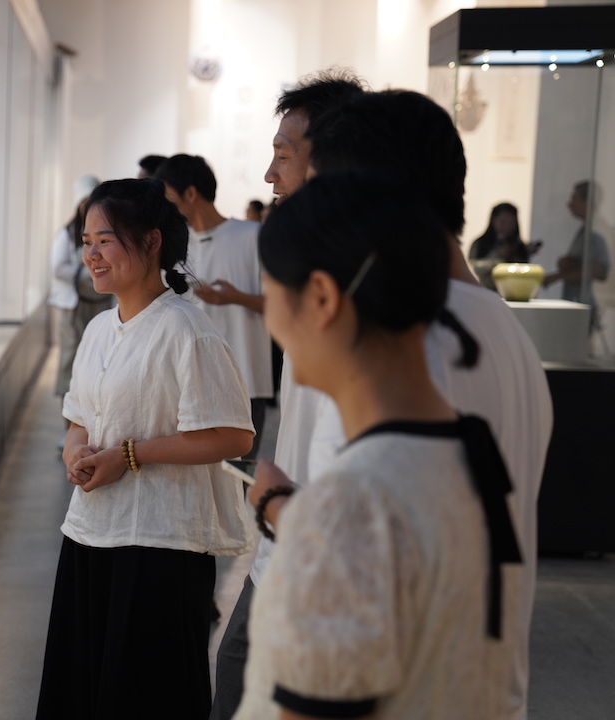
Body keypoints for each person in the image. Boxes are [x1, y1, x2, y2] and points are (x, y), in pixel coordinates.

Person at [244, 88, 553, 720]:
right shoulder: (499, 329)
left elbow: (361, 541)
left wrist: (280, 508)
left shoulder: (396, 340)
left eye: (326, 185)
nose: (284, 182)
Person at [35, 178, 256, 719]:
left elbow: (233, 435)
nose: (91, 254)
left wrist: (130, 456)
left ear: (152, 241)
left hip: (160, 545)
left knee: (144, 695)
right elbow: (78, 419)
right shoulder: (97, 328)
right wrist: (75, 452)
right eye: (86, 241)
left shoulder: (187, 329)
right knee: (84, 687)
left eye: (105, 240)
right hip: (90, 534)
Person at [210, 69, 365, 720]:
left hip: (312, 564)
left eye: (283, 155)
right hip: (283, 548)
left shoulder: (359, 293)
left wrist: (276, 501)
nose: (270, 176)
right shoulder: (323, 271)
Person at [156, 153, 273, 462]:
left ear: (190, 193)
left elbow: (286, 307)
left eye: (169, 197)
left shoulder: (253, 236)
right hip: (186, 382)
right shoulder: (175, 246)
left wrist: (234, 298)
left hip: (245, 380)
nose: (165, 207)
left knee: (239, 478)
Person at [48, 175, 112, 425]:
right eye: (85, 202)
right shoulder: (66, 233)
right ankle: (69, 428)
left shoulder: (108, 232)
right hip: (72, 307)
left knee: (99, 364)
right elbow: (57, 268)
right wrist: (86, 273)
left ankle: (92, 426)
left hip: (100, 305)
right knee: (70, 363)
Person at [545, 180, 609, 325]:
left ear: (587, 202)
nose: (570, 204)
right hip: (578, 303)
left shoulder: (596, 233)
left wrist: (559, 276)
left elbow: (597, 271)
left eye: (574, 198)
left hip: (584, 305)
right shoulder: (585, 231)